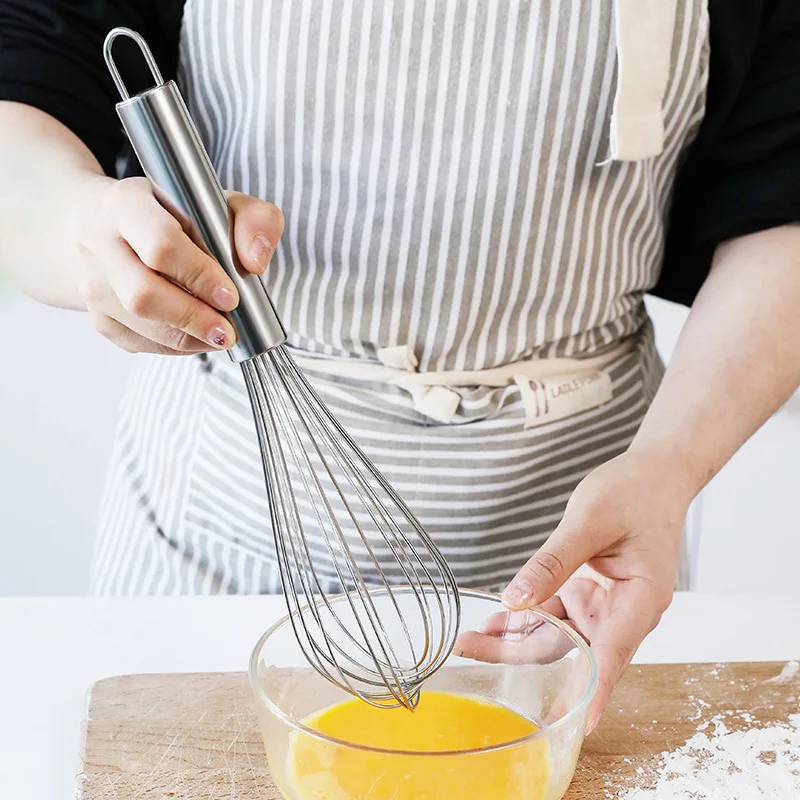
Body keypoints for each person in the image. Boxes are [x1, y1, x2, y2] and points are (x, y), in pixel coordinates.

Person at [1, 0, 799, 733]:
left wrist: (669, 468)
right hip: (220, 530)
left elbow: (782, 198)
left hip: (585, 554)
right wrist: (79, 224)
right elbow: (26, 84)